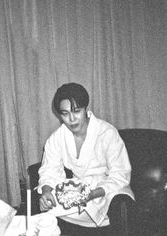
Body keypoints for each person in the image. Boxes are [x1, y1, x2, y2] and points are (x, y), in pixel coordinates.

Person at [37, 83, 134, 235]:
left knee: (119, 200)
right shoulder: (57, 138)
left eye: (76, 111)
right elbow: (49, 170)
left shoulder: (107, 133)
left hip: (107, 189)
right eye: (65, 113)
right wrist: (46, 191)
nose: (71, 119)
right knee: (45, 206)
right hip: (79, 190)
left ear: (85, 109)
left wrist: (93, 194)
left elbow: (120, 174)